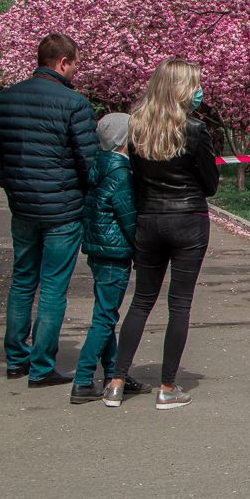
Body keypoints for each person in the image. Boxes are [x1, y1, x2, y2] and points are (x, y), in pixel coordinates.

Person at [104, 59, 218, 410]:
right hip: (188, 219)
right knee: (179, 304)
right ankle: (168, 386)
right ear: (183, 89)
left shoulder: (136, 127)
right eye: (195, 84)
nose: (200, 91)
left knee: (141, 301)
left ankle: (116, 381)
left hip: (149, 218)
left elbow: (134, 176)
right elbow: (211, 184)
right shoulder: (196, 130)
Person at [0, 33, 97, 387]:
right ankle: (42, 365)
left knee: (22, 281)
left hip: (23, 207)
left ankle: (15, 358)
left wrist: (14, 185)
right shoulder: (74, 103)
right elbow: (88, 160)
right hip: (62, 208)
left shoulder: (4, 99)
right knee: (52, 287)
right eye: (75, 62)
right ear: (63, 62)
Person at [69, 113, 152, 405]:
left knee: (106, 313)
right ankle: (82, 379)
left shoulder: (101, 165)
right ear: (125, 139)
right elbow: (128, 218)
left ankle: (115, 373)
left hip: (99, 250)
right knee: (104, 318)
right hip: (114, 253)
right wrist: (142, 250)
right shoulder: (120, 173)